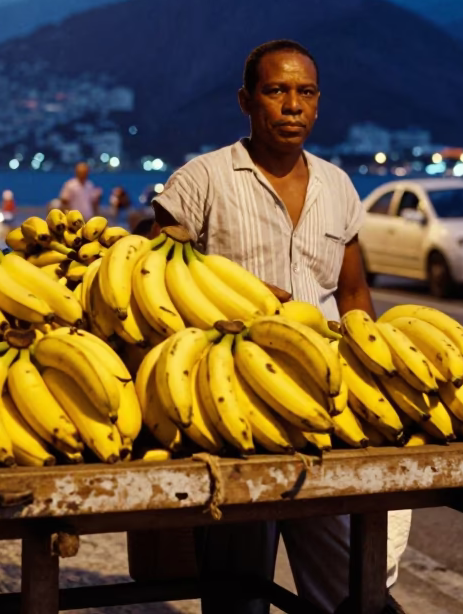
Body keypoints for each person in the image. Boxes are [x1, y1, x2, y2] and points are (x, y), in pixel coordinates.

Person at [152, 39, 410, 614]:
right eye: (276, 91)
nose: (292, 104)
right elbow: (154, 284)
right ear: (247, 100)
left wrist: (372, 370)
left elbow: (350, 291)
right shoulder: (201, 181)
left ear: (318, 104)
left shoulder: (338, 186)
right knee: (239, 590)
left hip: (324, 402)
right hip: (234, 403)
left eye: (306, 92)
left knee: (347, 584)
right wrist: (234, 291)